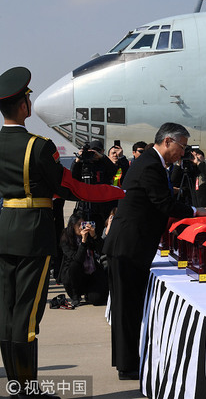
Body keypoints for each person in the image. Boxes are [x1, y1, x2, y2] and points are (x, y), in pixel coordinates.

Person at [0, 66, 124, 398]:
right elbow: (73, 189)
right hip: (33, 234)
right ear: (24, 105)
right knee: (27, 315)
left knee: (7, 311)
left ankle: (16, 387)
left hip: (5, 231)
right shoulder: (37, 147)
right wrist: (120, 192)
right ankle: (27, 391)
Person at [103, 122, 206, 380]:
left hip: (132, 245)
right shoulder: (151, 165)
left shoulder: (152, 162)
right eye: (182, 146)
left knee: (129, 309)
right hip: (128, 246)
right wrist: (194, 211)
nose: (183, 153)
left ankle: (127, 361)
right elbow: (163, 203)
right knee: (127, 310)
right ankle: (127, 366)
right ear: (168, 141)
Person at [59, 212, 109, 307]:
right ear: (72, 226)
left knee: (97, 300)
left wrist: (94, 236)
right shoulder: (66, 238)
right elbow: (77, 260)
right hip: (73, 278)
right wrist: (83, 242)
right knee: (74, 265)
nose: (82, 227)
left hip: (90, 274)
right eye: (79, 225)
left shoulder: (89, 234)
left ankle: (89, 294)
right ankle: (76, 296)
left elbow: (102, 250)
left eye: (84, 224)